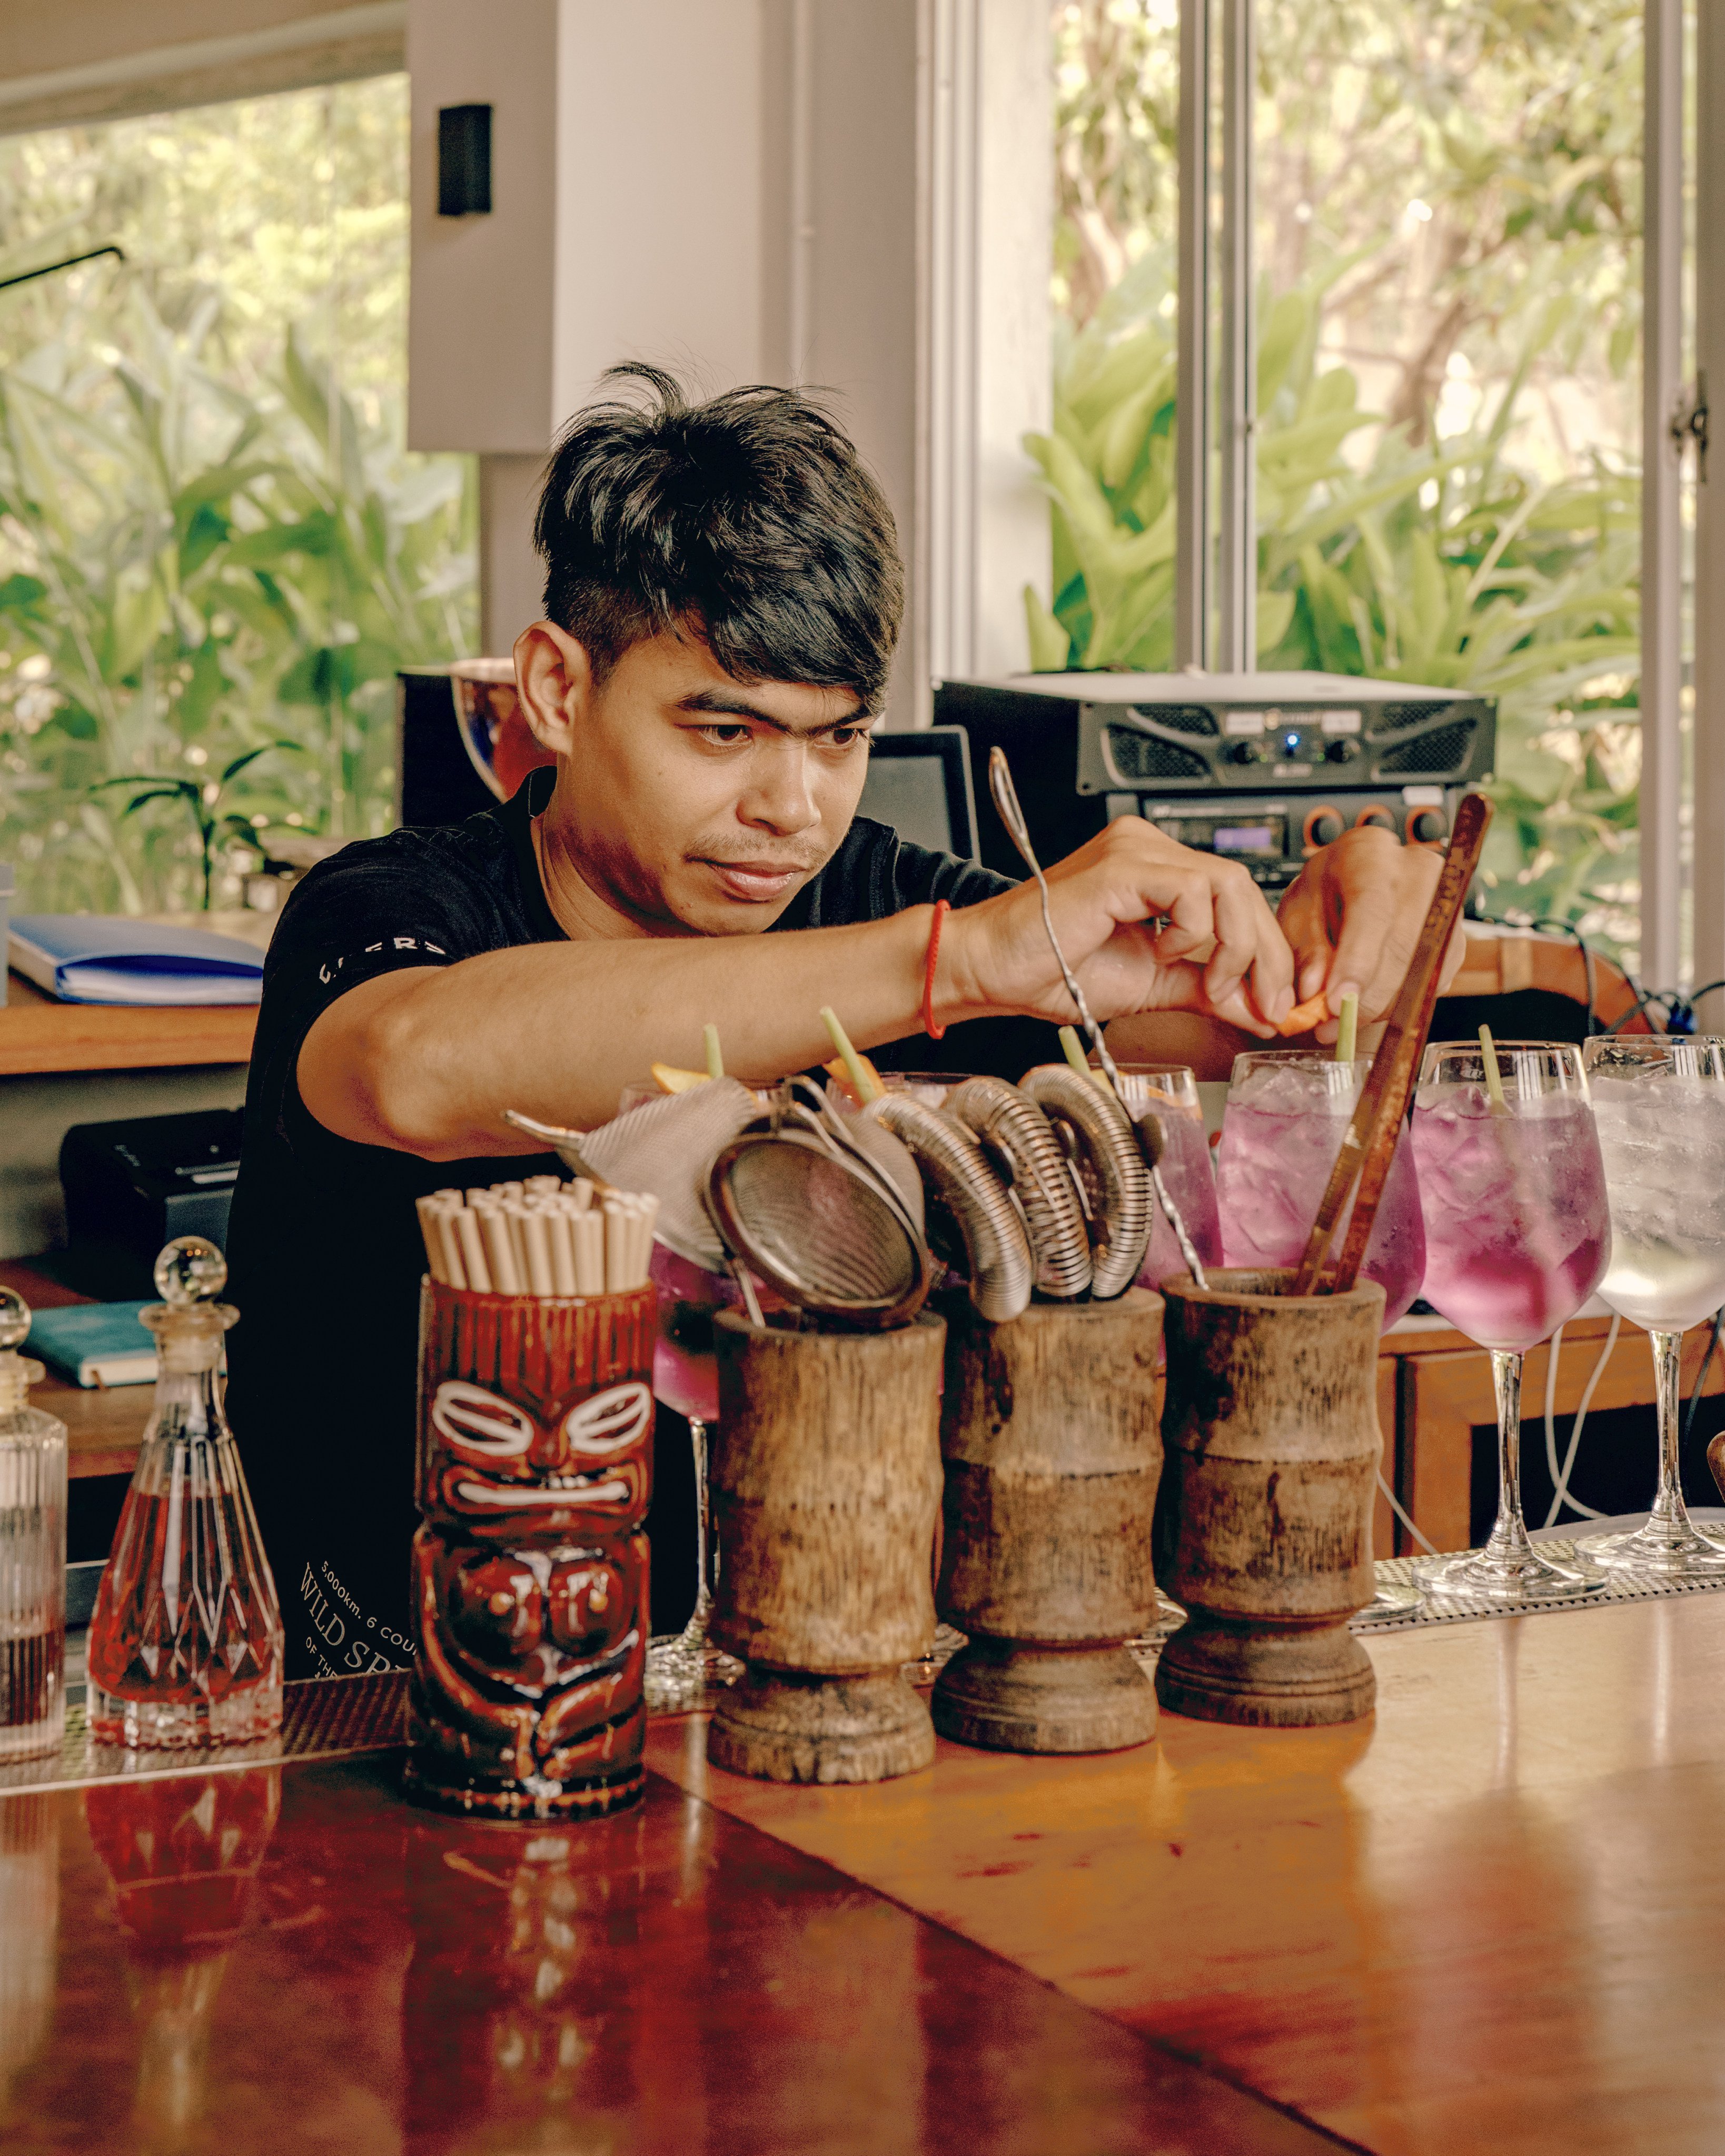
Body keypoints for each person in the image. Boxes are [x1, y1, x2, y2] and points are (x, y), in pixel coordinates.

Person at [225, 363, 1455, 1680]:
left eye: (837, 738)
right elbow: (417, 1069)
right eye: (725, 731)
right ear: (558, 690)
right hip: (382, 1704)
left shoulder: (869, 894)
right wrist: (964, 958)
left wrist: (1348, 928)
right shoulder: (388, 902)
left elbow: (1254, 1030)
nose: (791, 807)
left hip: (786, 1690)